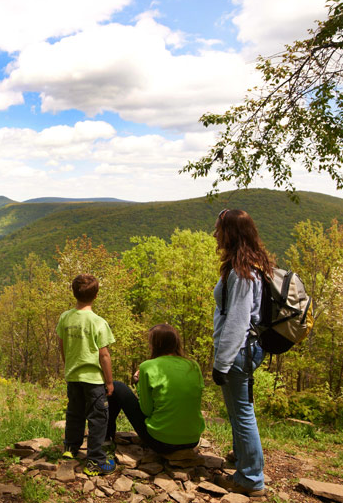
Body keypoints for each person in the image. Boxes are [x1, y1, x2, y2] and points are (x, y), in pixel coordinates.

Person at [211, 208, 271, 497]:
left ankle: (250, 478)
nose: (215, 234)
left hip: (240, 351)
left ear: (231, 233)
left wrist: (221, 363)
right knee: (238, 408)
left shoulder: (241, 273)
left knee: (243, 411)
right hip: (247, 350)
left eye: (219, 229)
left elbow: (238, 320)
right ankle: (242, 455)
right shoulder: (252, 264)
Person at [106, 324, 205, 454]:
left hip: (162, 443)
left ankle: (106, 438)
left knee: (117, 386)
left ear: (156, 345)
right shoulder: (193, 365)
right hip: (192, 440)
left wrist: (138, 383)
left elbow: (146, 410)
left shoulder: (148, 366)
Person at [57, 273, 116, 476]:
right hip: (93, 380)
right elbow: (104, 355)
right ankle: (95, 460)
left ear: (74, 294)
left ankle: (70, 449)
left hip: (73, 376)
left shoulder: (65, 317)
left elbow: (62, 345)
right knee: (98, 418)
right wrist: (109, 382)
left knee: (75, 413)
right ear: (96, 295)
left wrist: (69, 365)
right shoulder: (98, 322)